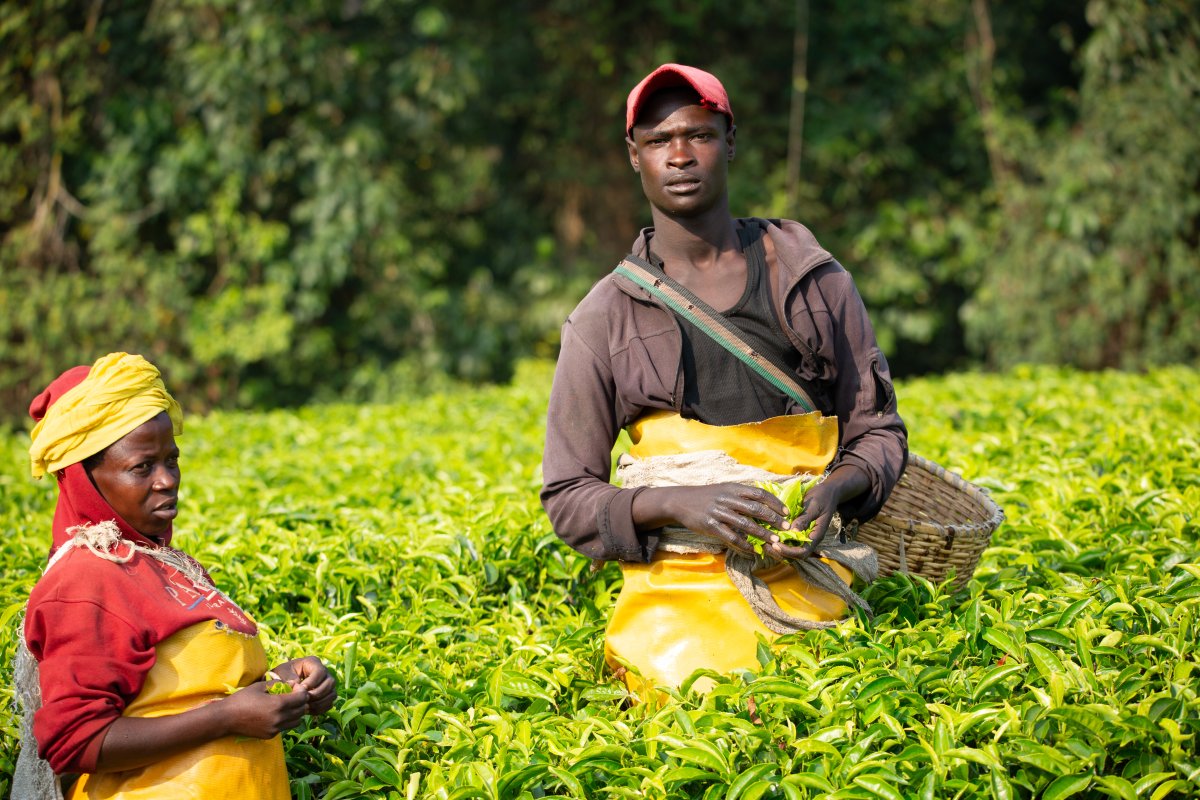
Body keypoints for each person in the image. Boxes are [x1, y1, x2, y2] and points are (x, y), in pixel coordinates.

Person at [540, 64, 908, 695]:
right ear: (634, 156)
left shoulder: (813, 283)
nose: (680, 155)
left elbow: (878, 432)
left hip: (808, 588)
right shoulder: (604, 319)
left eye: (699, 135)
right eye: (658, 140)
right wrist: (680, 503)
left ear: (729, 142)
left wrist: (837, 489)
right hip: (674, 613)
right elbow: (568, 496)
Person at [14, 352, 337, 800]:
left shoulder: (163, 562)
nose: (167, 480)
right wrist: (226, 717)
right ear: (85, 478)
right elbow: (75, 741)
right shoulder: (85, 579)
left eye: (172, 460)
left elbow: (192, 694)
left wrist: (287, 685)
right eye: (142, 467)